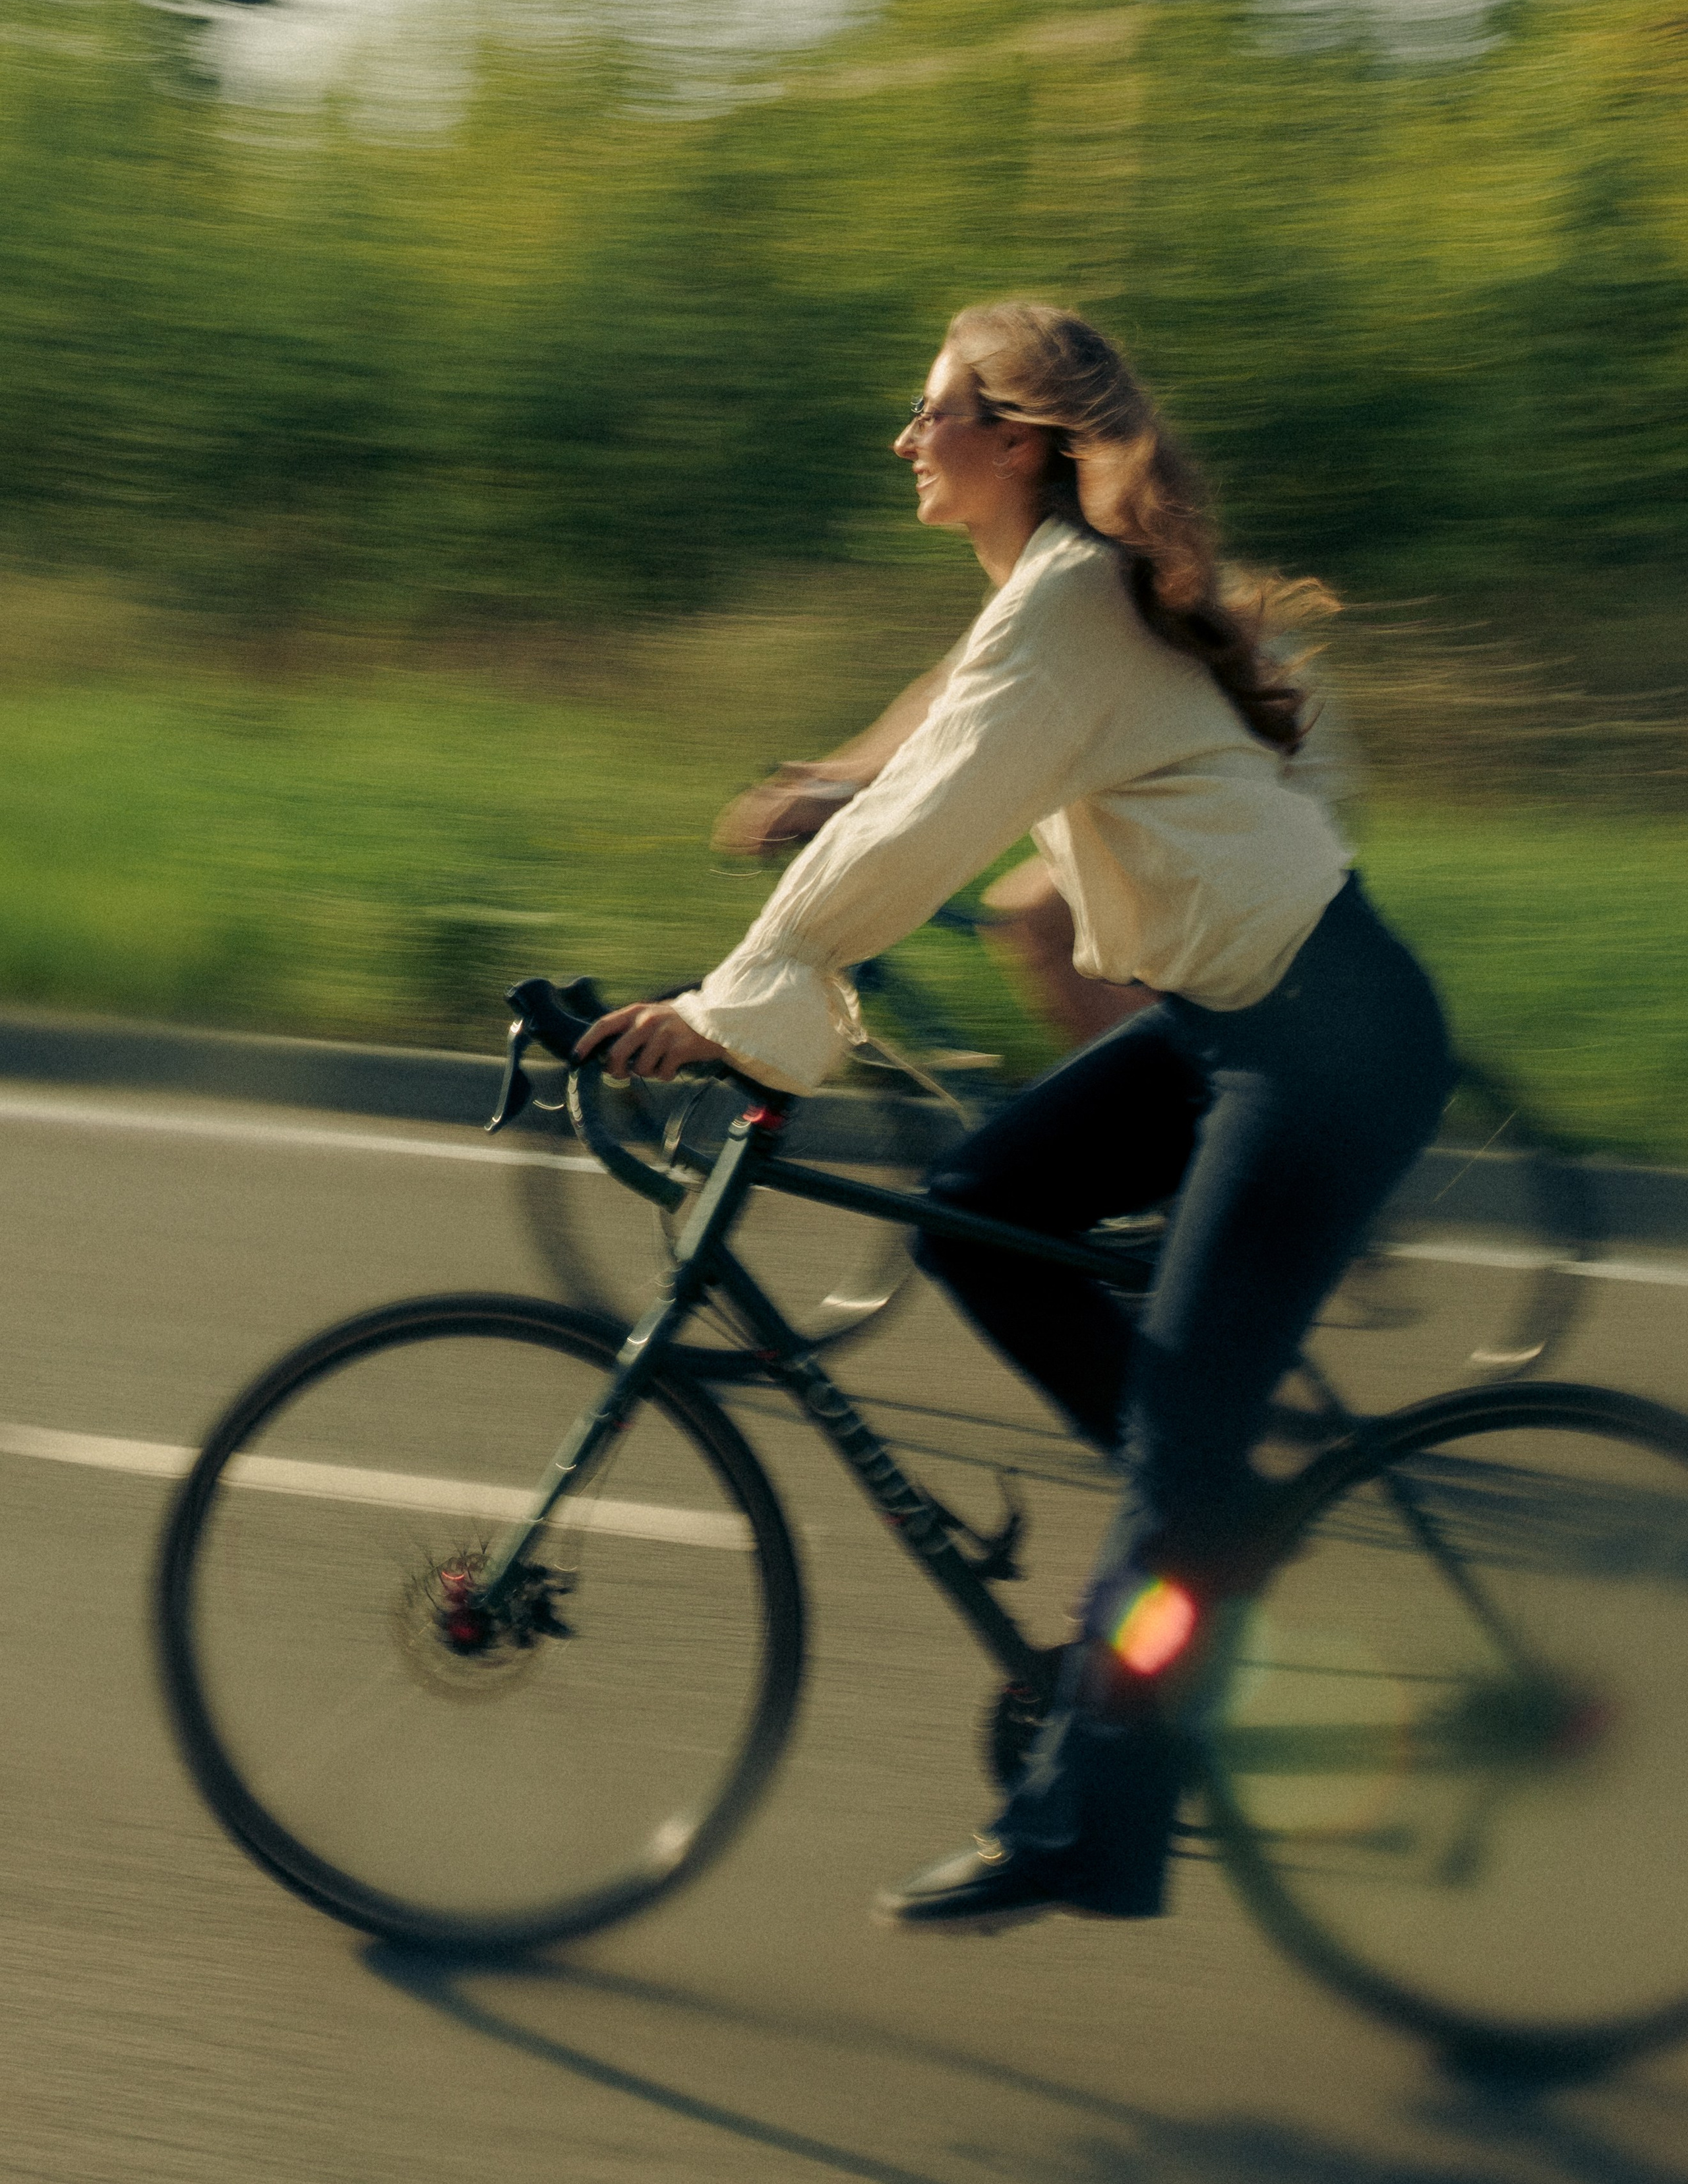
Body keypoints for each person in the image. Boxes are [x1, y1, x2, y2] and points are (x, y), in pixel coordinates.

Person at [576, 301, 1453, 1932]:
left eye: (931, 414)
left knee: (1173, 1468)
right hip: (1230, 1020)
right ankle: (1204, 1520)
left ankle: (1086, 1826)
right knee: (990, 1210)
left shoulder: (1065, 603)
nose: (905, 441)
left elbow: (926, 821)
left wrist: (726, 1003)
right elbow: (924, 773)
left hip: (1322, 1047)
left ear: (1022, 439)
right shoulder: (1049, 595)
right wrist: (764, 944)